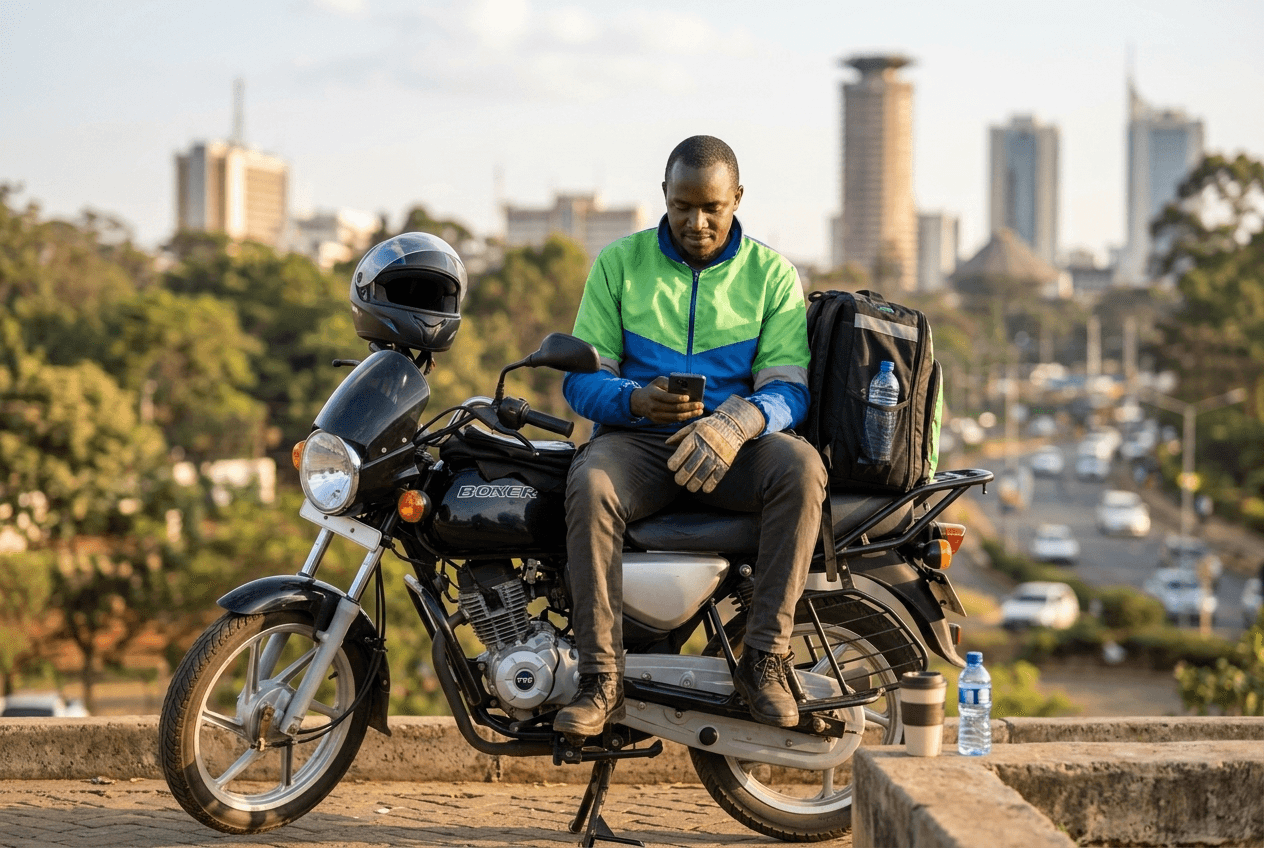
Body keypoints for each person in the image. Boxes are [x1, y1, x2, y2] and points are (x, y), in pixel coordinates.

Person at [555, 135, 827, 740]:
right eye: (682, 206)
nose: (696, 222)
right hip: (638, 443)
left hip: (736, 449)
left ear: (736, 200)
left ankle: (765, 660)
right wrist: (634, 399)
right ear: (664, 197)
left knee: (801, 469)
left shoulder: (772, 275)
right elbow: (580, 385)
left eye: (712, 207)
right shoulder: (618, 264)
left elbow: (790, 389)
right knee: (591, 480)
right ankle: (600, 677)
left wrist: (736, 424)